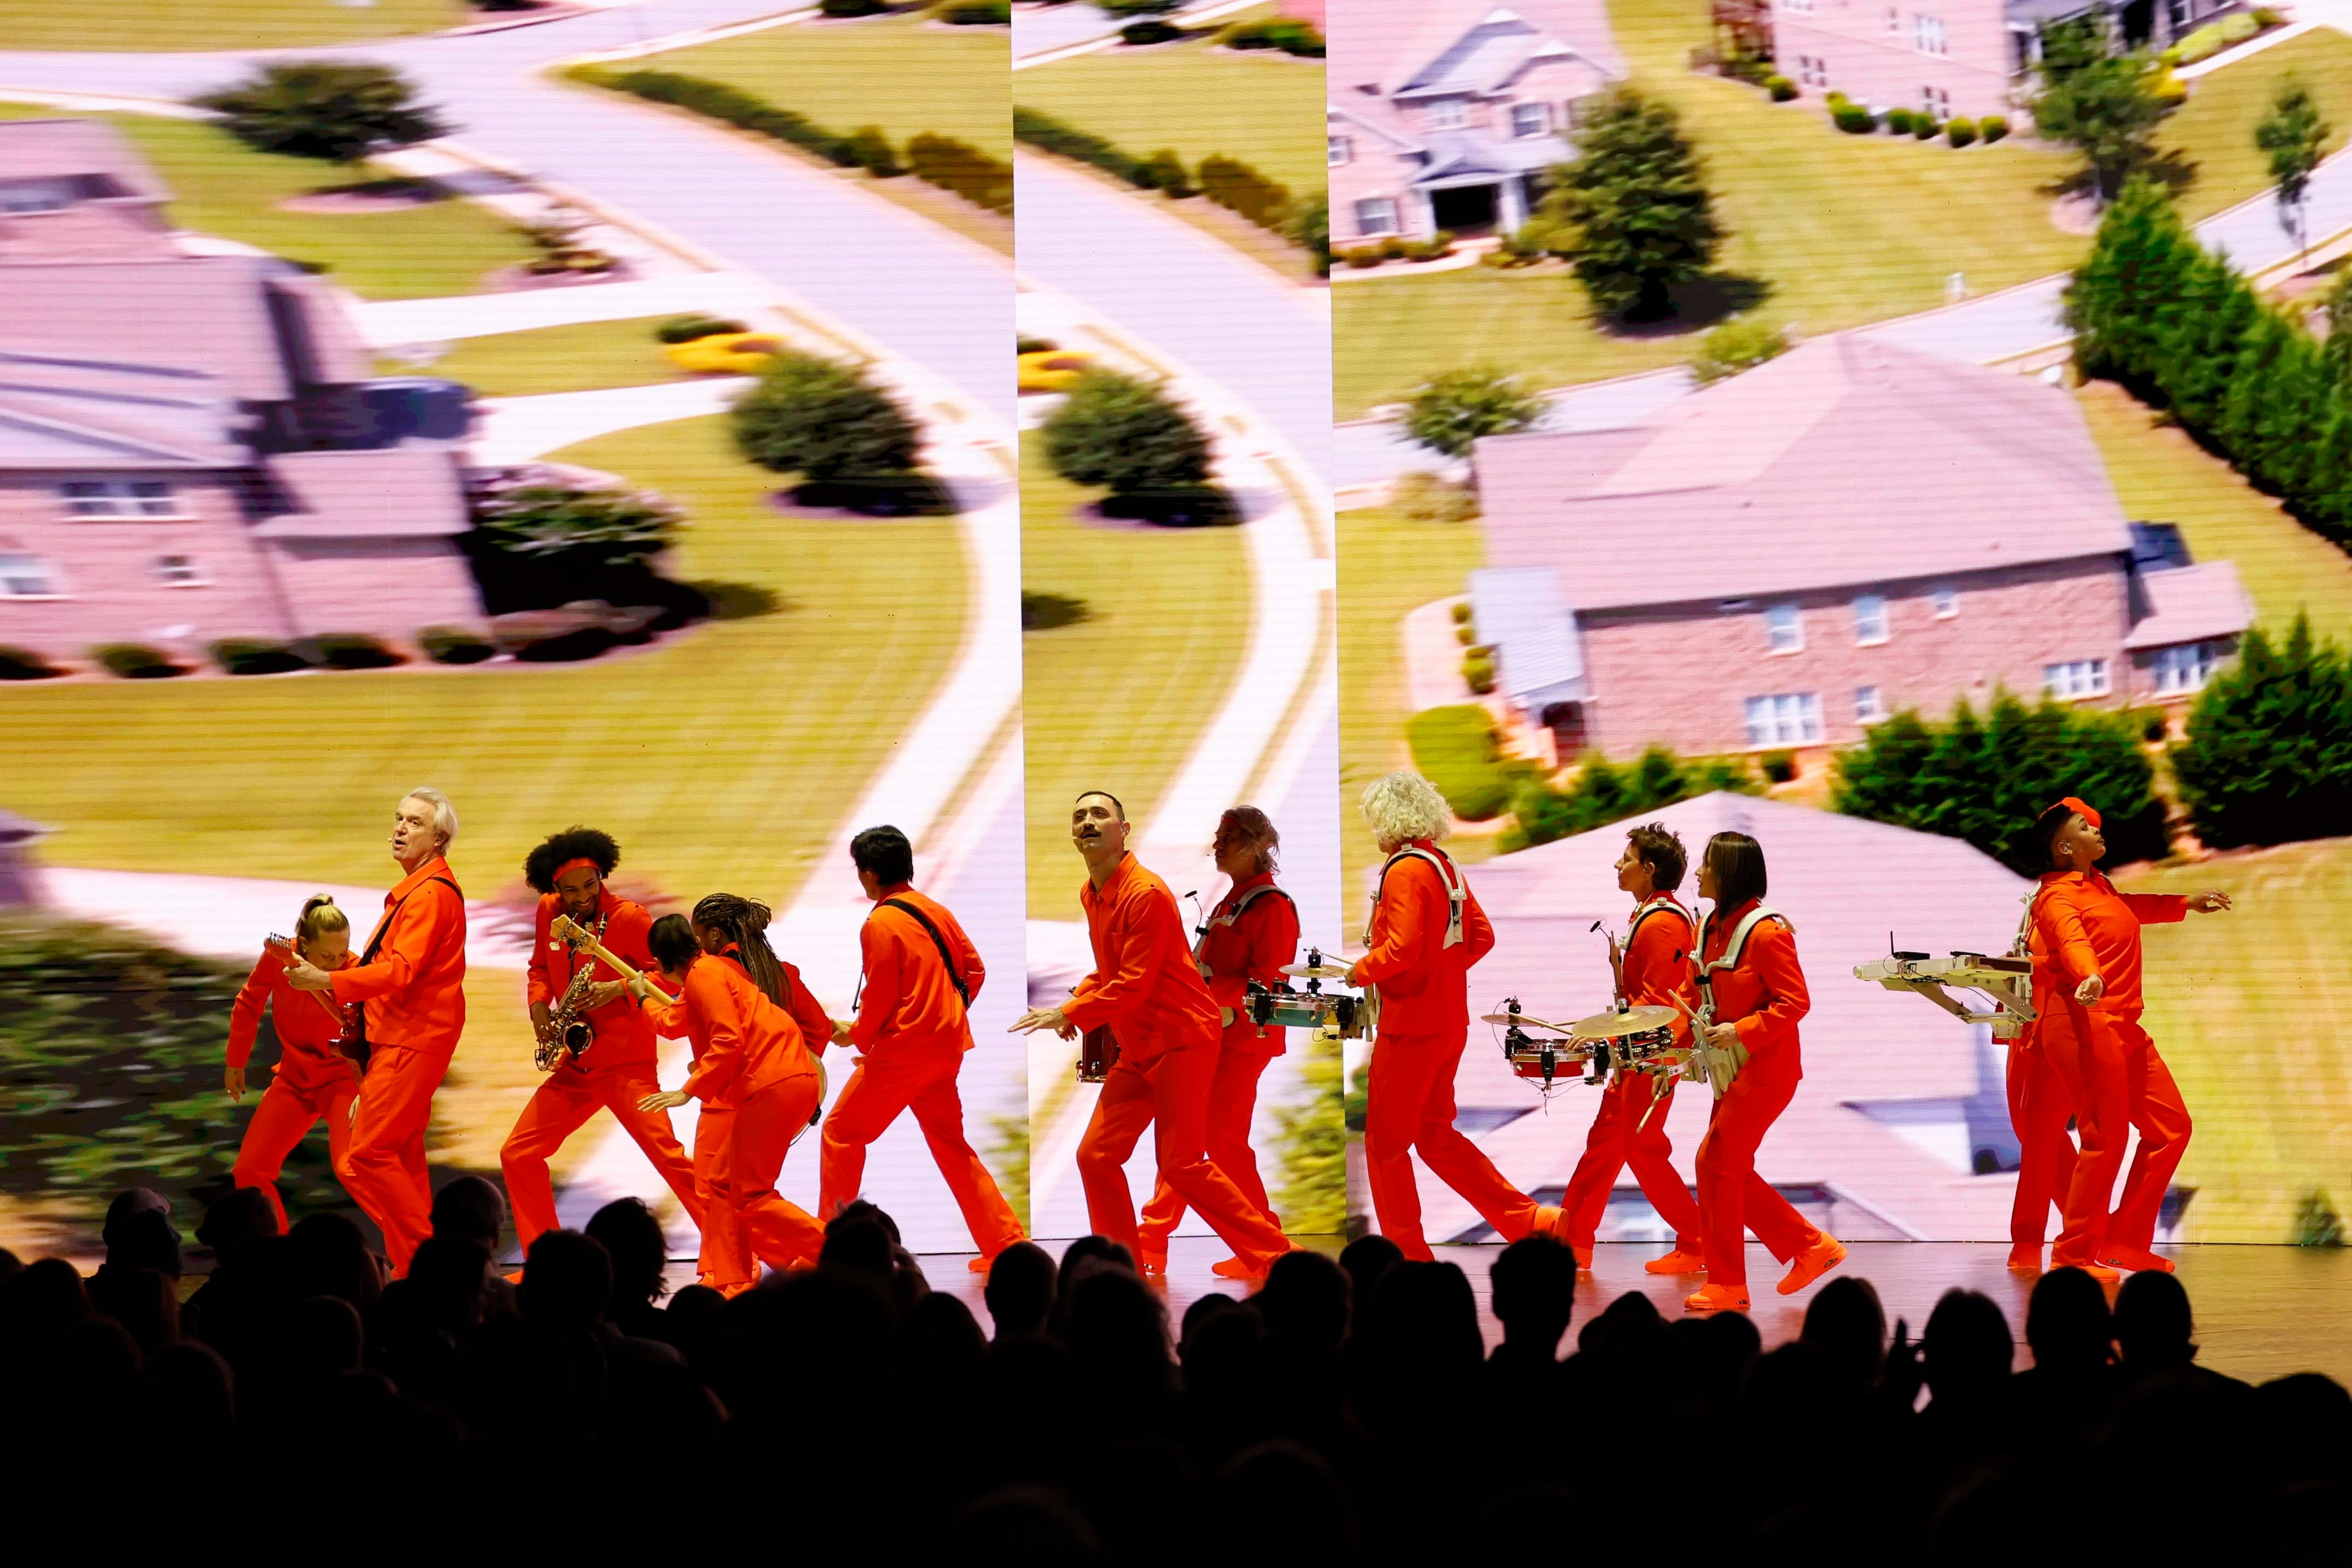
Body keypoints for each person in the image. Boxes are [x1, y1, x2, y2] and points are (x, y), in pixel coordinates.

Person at [1009, 791, 1293, 1283]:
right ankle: (1121, 1268)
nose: (1088, 822)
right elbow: (1113, 972)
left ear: (1125, 830)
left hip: (1182, 1038)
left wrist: (1072, 1011)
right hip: (1141, 1045)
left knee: (1183, 1164)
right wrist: (1080, 1002)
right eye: (1079, 816)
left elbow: (1134, 983)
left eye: (1100, 814)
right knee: (1096, 1156)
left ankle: (1281, 1259)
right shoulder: (1091, 893)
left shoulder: (1145, 894)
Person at [1345, 772, 1566, 1261]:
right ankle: (1532, 1221)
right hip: (1448, 1023)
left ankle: (1407, 1254)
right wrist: (1439, 973)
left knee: (1384, 1146)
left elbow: (1400, 948)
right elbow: (1480, 938)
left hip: (1410, 1027)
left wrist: (1362, 971)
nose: (1373, 832)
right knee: (1435, 1137)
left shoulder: (1403, 869)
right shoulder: (1444, 865)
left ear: (1390, 818)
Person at [2024, 798, 2230, 1278]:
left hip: (2121, 1023)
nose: (2098, 830)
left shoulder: (2098, 886)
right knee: (2104, 1138)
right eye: (2085, 827)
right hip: (2080, 1023)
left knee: (2170, 1128)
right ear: (2065, 846)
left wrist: (2184, 903)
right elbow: (2071, 939)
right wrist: (2088, 975)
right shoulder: (2054, 897)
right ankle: (2073, 1257)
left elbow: (2124, 911)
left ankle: (2123, 1241)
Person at [819, 824, 1025, 1273]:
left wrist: (856, 1036)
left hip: (903, 1051)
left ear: (870, 874)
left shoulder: (880, 922)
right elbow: (975, 970)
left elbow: (881, 996)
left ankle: (832, 1249)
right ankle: (1006, 1243)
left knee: (840, 1134)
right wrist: (945, 1012)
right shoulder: (936, 910)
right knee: (952, 1145)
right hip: (946, 1048)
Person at [497, 827, 703, 1264]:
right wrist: (539, 1006)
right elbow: (539, 966)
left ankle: (733, 1252)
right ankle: (544, 1263)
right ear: (555, 889)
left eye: (589, 885)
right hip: (575, 1066)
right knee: (518, 1154)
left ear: (601, 875)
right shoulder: (549, 911)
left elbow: (669, 976)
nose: (582, 896)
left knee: (673, 1163)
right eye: (570, 890)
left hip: (626, 1066)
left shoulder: (630, 918)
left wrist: (619, 991)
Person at [285, 788, 466, 1278]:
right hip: (401, 1037)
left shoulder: (429, 896)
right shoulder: (416, 893)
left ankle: (439, 1266)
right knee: (399, 1159)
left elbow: (401, 971)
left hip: (413, 1038)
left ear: (439, 838)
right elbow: (389, 968)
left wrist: (326, 979)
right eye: (398, 819)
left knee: (364, 1156)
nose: (400, 829)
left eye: (414, 822)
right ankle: (417, 1268)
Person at [1682, 830, 1845, 1313]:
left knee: (1715, 1163)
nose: (1699, 872)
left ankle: (1730, 1282)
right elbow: (1697, 996)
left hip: (1766, 1068)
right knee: (1724, 1166)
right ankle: (1809, 1247)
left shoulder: (1769, 932)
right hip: (1729, 1068)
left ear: (1729, 871)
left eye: (1707, 864)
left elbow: (1796, 1002)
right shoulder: (1707, 925)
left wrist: (1743, 1029)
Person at [1136, 806, 1298, 1277]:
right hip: (1212, 1034)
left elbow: (1269, 981)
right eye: (1218, 835)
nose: (1217, 845)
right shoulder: (1233, 901)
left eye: (1228, 837)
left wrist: (1213, 1002)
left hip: (1243, 1039)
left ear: (1254, 845)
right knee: (1198, 1141)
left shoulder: (1271, 906)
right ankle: (1260, 1244)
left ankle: (1262, 1245)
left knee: (1215, 1141)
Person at [635, 897, 829, 1287]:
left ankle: (843, 1253)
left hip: (771, 1082)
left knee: (750, 1194)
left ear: (660, 962)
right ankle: (732, 1280)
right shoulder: (710, 972)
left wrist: (687, 1091)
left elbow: (728, 1040)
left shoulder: (705, 975)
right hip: (786, 1078)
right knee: (722, 1185)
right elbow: (673, 1021)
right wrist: (639, 996)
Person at [1556, 823, 1706, 1276]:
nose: (1618, 864)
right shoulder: (1652, 914)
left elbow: (1660, 1003)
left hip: (1652, 1055)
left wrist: (1605, 1032)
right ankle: (1571, 1243)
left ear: (1649, 869)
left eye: (1627, 858)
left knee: (1640, 1150)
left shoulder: (1662, 922)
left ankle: (1699, 1237)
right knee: (1605, 1146)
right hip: (1639, 1052)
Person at [226, 894, 360, 1232]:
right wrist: (235, 1061)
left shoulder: (356, 972)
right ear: (303, 945)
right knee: (249, 1171)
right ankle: (278, 1262)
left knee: (353, 1169)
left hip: (343, 1082)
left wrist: (370, 1086)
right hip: (295, 1079)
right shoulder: (279, 957)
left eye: (342, 953)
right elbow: (249, 1002)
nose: (337, 963)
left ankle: (412, 1254)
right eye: (327, 956)